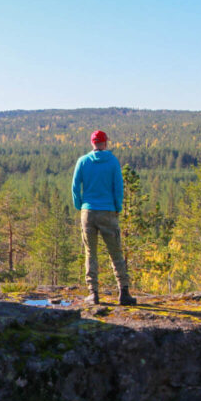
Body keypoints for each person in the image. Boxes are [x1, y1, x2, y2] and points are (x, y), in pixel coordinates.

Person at [72, 129, 136, 306]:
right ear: (105, 143)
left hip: (88, 213)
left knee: (90, 253)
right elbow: (118, 188)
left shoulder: (82, 161)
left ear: (92, 143)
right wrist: (117, 208)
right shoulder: (113, 161)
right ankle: (124, 292)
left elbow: (75, 187)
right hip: (108, 211)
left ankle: (93, 294)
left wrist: (80, 205)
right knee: (116, 253)